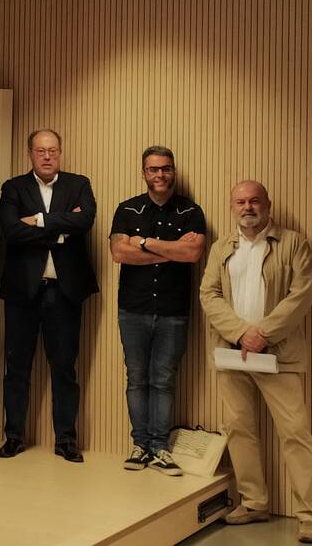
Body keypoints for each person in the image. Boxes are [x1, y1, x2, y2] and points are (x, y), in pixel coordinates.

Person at [199, 181, 312, 544]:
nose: (247, 207)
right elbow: (209, 293)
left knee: (295, 433)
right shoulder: (221, 247)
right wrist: (240, 333)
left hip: (278, 355)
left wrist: (262, 333)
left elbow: (301, 295)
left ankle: (310, 517)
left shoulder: (294, 243)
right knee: (239, 429)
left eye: (254, 200)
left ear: (268, 205)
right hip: (232, 353)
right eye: (240, 201)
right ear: (232, 207)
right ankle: (254, 503)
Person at [0, 129, 97, 463]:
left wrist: (38, 220)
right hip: (23, 292)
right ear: (30, 154)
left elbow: (84, 222)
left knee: (64, 368)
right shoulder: (13, 187)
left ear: (60, 152)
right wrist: (60, 232)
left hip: (63, 292)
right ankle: (14, 436)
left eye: (52, 150)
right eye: (41, 151)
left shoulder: (78, 184)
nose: (47, 156)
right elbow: (11, 230)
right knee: (17, 368)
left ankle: (66, 440)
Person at [110, 146, 205, 475]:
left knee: (163, 380)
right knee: (137, 378)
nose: (160, 174)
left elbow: (193, 254)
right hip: (132, 309)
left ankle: (160, 448)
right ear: (144, 173)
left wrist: (144, 242)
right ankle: (140, 446)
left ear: (173, 171)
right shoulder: (127, 209)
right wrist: (172, 251)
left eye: (165, 168)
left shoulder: (191, 211)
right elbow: (118, 253)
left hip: (172, 310)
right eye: (153, 169)